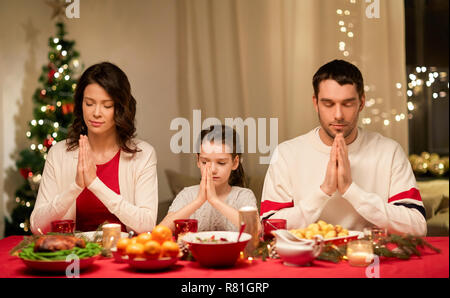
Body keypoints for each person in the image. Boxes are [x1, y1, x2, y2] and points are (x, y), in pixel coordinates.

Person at [260, 59, 427, 236]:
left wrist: (351, 190)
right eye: (328, 104)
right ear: (315, 103)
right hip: (310, 261)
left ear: (361, 103)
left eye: (347, 103)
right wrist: (324, 191)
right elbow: (268, 227)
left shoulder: (389, 151)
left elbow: (417, 226)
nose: (338, 115)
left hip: (370, 258)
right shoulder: (287, 154)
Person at [30, 62, 158, 234]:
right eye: (89, 103)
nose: (96, 113)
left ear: (120, 108)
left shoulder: (143, 154)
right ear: (81, 103)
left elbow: (147, 226)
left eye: (107, 105)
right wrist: (76, 186)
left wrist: (95, 184)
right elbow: (37, 227)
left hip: (124, 256)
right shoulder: (59, 154)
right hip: (75, 256)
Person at [161, 125, 258, 232]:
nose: (212, 170)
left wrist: (215, 201)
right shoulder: (187, 194)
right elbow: (161, 231)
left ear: (235, 163)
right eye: (205, 162)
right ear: (198, 160)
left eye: (221, 163)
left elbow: (255, 229)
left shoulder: (243, 195)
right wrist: (198, 201)